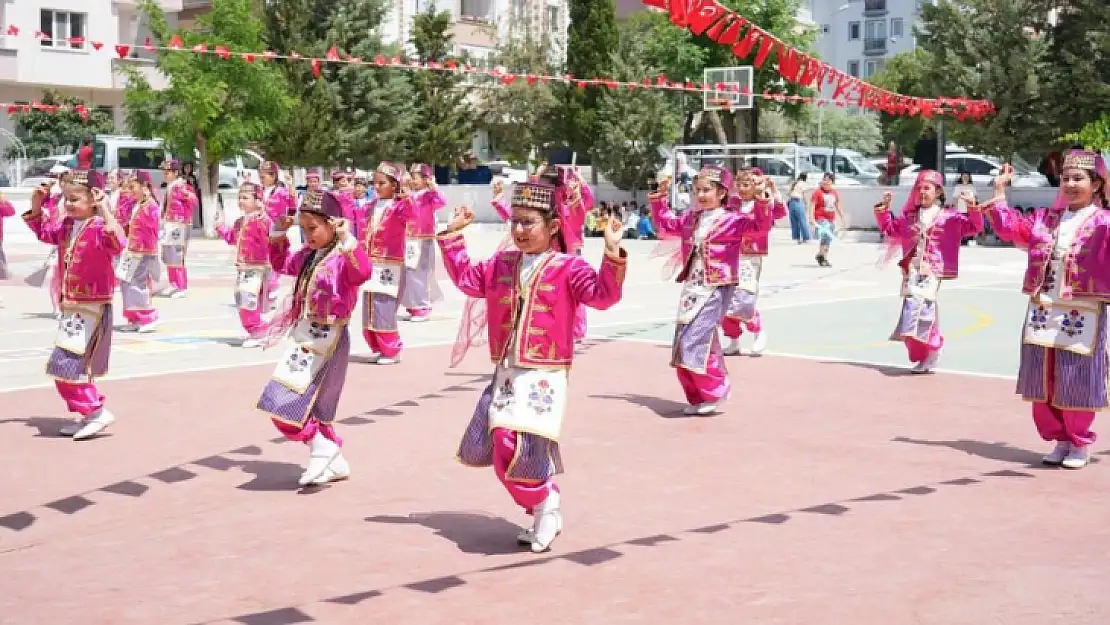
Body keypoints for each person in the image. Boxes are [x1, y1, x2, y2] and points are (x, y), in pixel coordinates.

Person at [438, 180, 627, 552]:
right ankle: (545, 502)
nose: (520, 231)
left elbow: (604, 296)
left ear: (553, 227)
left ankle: (543, 504)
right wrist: (453, 237)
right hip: (508, 371)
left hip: (544, 373)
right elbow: (466, 280)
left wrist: (612, 251)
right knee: (500, 446)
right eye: (516, 223)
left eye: (529, 223)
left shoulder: (569, 267)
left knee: (518, 443)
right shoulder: (501, 263)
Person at [982, 153, 1110, 469]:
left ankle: (1079, 442)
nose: (1070, 184)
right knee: (1042, 378)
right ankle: (1059, 438)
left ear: (1096, 185)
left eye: (1078, 178)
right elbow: (1011, 229)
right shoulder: (1045, 219)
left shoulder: (1105, 222)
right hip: (1043, 309)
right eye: (1065, 178)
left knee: (1076, 377)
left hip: (1083, 311)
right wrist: (1000, 192)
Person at [258, 189, 371, 486]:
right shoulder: (310, 254)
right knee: (296, 405)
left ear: (333, 224)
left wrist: (349, 241)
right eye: (303, 229)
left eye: (313, 228)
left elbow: (364, 272)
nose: (307, 235)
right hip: (306, 337)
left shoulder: (343, 256)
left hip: (329, 339)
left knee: (284, 403)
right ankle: (333, 459)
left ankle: (323, 448)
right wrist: (279, 233)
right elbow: (283, 265)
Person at [650, 167, 775, 415]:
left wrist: (762, 198)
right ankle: (697, 396)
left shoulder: (734, 220)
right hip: (692, 288)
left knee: (696, 338)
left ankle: (716, 390)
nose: (701, 194)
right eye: (698, 190)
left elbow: (761, 226)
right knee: (683, 342)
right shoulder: (692, 219)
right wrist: (658, 199)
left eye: (707, 190)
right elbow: (666, 224)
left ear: (721, 193)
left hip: (716, 287)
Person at [22, 169, 125, 440]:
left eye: (75, 199)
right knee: (71, 364)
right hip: (72, 304)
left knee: (64, 362)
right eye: (66, 198)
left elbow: (118, 243)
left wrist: (104, 210)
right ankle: (87, 412)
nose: (69, 204)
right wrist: (37, 202)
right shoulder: (67, 225)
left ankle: (96, 411)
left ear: (93, 199)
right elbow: (44, 231)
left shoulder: (101, 227)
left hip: (91, 305)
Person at [874, 169, 984, 373]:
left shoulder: (949, 217)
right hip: (912, 270)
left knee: (920, 304)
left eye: (927, 188)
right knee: (916, 310)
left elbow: (974, 227)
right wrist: (884, 209)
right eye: (919, 188)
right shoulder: (909, 218)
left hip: (933, 268)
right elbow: (889, 229)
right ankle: (926, 352)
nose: (922, 192)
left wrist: (972, 207)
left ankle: (933, 348)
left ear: (938, 192)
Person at [721, 168, 786, 356]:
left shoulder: (763, 202)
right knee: (724, 298)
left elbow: (780, 213)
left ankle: (758, 332)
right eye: (739, 184)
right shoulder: (733, 203)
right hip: (729, 254)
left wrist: (771, 191)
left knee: (743, 298)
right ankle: (733, 340)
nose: (741, 188)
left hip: (750, 256)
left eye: (746, 184)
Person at [359, 162, 412, 365]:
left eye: (382, 183)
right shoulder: (371, 206)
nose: (377, 187)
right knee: (370, 304)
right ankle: (379, 346)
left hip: (389, 263)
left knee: (384, 305)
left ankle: (392, 349)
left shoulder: (399, 206)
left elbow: (411, 214)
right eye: (375, 183)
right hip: (371, 261)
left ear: (394, 185)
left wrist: (406, 196)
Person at [215, 182, 274, 347]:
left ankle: (258, 330)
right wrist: (220, 227)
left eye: (245, 198)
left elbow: (274, 240)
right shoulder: (240, 221)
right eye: (239, 197)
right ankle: (256, 330)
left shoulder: (263, 220)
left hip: (258, 267)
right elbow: (232, 238)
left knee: (248, 298)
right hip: (244, 267)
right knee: (241, 298)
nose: (241, 201)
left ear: (258, 200)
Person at [116, 170, 163, 333]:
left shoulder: (152, 207)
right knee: (127, 284)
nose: (130, 190)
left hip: (143, 253)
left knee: (138, 285)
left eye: (133, 187)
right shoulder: (138, 204)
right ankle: (134, 317)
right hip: (132, 252)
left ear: (144, 187)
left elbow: (153, 233)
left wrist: (149, 254)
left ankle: (148, 316)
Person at [400, 163, 447, 322]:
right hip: (409, 239)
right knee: (408, 273)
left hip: (423, 239)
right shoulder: (410, 195)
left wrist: (434, 187)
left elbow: (442, 202)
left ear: (425, 179)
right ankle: (414, 306)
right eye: (412, 177)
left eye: (416, 177)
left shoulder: (428, 195)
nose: (413, 181)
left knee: (420, 274)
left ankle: (423, 306)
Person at [158, 159, 198, 298]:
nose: (165, 175)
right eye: (164, 172)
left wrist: (186, 195)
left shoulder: (182, 185)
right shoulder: (170, 186)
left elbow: (193, 200)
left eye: (167, 172)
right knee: (169, 255)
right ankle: (173, 283)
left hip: (179, 225)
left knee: (177, 255)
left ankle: (182, 286)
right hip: (170, 223)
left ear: (175, 172)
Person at [809, 173, 844, 267]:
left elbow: (837, 205)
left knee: (827, 239)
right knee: (826, 235)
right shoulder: (817, 192)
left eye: (828, 180)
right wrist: (811, 218)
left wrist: (842, 216)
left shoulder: (834, 193)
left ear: (832, 182)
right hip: (821, 218)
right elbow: (812, 206)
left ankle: (822, 256)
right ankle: (822, 257)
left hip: (831, 219)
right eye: (824, 180)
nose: (825, 182)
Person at [786, 173, 811, 243]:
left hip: (791, 202)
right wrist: (806, 204)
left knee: (794, 221)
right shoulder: (803, 183)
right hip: (798, 201)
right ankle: (806, 238)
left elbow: (788, 193)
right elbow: (804, 194)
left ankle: (797, 238)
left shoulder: (794, 183)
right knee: (802, 220)